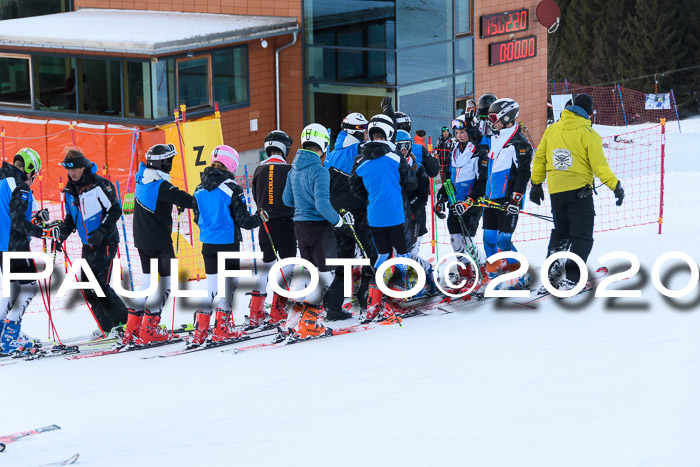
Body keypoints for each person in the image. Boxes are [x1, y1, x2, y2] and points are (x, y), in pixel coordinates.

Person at [530, 93, 624, 291]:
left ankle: (551, 276)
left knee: (561, 234)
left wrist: (536, 184)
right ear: (589, 113)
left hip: (556, 192)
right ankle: (572, 280)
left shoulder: (552, 129)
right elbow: (600, 167)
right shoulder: (589, 134)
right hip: (579, 193)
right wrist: (616, 186)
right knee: (582, 237)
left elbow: (539, 158)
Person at [120, 143, 197, 348]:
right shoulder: (161, 185)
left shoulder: (143, 179)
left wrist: (173, 201)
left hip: (142, 241)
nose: (170, 164)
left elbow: (162, 200)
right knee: (165, 284)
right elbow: (187, 200)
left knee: (147, 283)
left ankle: (132, 329)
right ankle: (150, 330)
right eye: (169, 161)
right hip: (160, 242)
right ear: (162, 163)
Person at [189, 145, 267, 348]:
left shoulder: (198, 189)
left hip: (208, 244)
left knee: (212, 287)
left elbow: (197, 218)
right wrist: (260, 217)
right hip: (228, 244)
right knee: (227, 286)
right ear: (231, 163)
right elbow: (244, 221)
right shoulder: (232, 188)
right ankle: (223, 329)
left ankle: (200, 329)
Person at [282, 123, 354, 340]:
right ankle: (310, 322)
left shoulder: (293, 169)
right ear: (323, 145)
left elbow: (287, 200)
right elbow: (323, 205)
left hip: (300, 228)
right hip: (320, 228)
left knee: (307, 274)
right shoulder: (320, 171)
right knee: (325, 275)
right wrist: (339, 221)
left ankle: (293, 321)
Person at [350, 98, 417, 322]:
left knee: (381, 256)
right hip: (396, 213)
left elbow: (354, 188)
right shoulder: (395, 156)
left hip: (374, 215)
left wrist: (371, 196)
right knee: (403, 253)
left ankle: (374, 302)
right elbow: (410, 183)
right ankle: (399, 296)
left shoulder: (360, 159)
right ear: (389, 134)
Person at [58, 147, 128, 336]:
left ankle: (123, 324)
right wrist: (61, 235)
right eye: (68, 169)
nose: (71, 173)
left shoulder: (99, 185)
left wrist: (102, 230)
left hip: (105, 242)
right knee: (87, 288)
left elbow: (115, 210)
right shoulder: (69, 190)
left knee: (100, 285)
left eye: (75, 169)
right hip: (87, 244)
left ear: (84, 167)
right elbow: (71, 218)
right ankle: (107, 328)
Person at [0, 148, 56, 353]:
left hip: (2, 247)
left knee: (11, 288)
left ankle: (2, 333)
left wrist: (34, 219)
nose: (34, 179)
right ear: (31, 170)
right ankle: (9, 338)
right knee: (29, 287)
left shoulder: (3, 180)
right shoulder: (20, 187)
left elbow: (9, 213)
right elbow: (18, 223)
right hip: (16, 246)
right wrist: (44, 232)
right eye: (35, 174)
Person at [322, 112, 377, 321]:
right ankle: (368, 302)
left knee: (344, 260)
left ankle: (333, 305)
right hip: (356, 214)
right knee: (371, 256)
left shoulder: (333, 152)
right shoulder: (356, 150)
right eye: (364, 130)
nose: (367, 135)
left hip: (337, 216)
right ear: (357, 131)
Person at [480, 98, 533, 287]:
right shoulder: (495, 138)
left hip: (507, 200)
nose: (491, 121)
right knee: (488, 239)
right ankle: (495, 274)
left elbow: (524, 172)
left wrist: (515, 199)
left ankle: (521, 275)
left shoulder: (519, 142)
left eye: (493, 117)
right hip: (491, 199)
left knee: (504, 240)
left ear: (507, 116)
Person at [249, 130, 297, 329]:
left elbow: (254, 194)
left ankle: (255, 310)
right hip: (286, 224)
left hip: (265, 225)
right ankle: (279, 308)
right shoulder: (289, 170)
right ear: (284, 148)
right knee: (287, 266)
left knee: (266, 266)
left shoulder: (258, 170)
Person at [435, 115, 489, 291]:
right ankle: (465, 272)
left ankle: (483, 269)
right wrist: (443, 196)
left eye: (463, 132)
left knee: (467, 242)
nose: (459, 135)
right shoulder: (454, 151)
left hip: (471, 203)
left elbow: (482, 182)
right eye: (457, 132)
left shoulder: (479, 151)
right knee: (455, 242)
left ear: (471, 131)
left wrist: (469, 201)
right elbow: (450, 178)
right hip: (455, 204)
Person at [396, 130, 437, 297]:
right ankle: (410, 281)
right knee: (401, 253)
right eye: (400, 146)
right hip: (398, 217)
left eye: (407, 146)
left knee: (411, 253)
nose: (404, 149)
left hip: (415, 216)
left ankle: (425, 274)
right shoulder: (393, 165)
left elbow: (422, 196)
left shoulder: (417, 167)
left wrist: (409, 209)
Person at [394, 111, 440, 178]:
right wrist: (435, 160)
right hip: (415, 186)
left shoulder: (385, 149)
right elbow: (433, 171)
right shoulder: (419, 149)